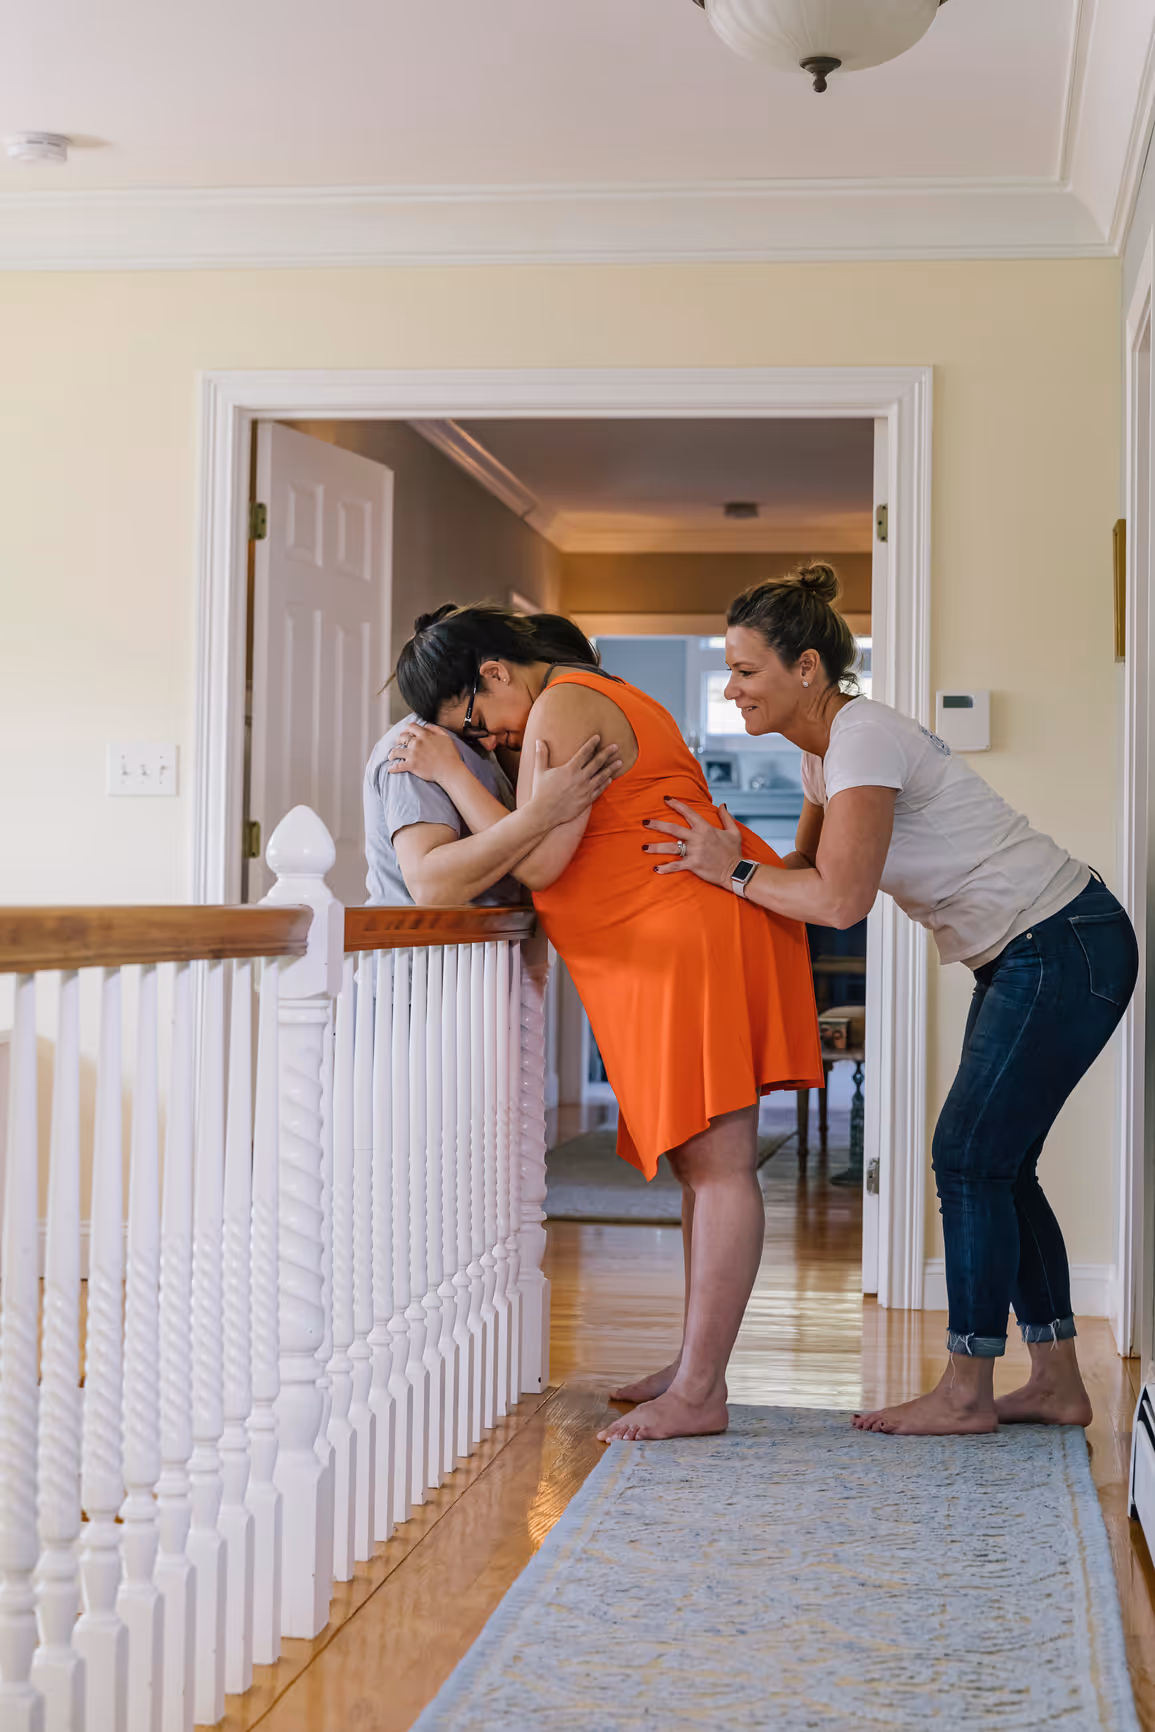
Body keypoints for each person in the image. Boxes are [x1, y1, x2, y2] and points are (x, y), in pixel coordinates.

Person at [643, 562, 1138, 1438]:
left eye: (746, 670)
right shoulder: (819, 755)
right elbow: (797, 875)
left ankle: (965, 1391)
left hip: (1060, 941)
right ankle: (1055, 1381)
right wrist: (718, 868)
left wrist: (737, 871)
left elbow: (839, 901)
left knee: (966, 1158)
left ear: (805, 669)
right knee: (996, 1162)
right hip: (1033, 950)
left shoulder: (862, 735)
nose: (732, 688)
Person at [388, 602, 824, 1443]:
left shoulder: (562, 703)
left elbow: (544, 857)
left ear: (493, 675)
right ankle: (697, 1368)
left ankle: (699, 1391)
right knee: (705, 1167)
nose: (487, 745)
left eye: (475, 727)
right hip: (672, 937)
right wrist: (514, 797)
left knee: (719, 1164)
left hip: (681, 939)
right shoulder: (592, 694)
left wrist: (449, 776)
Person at [363, 606, 622, 906]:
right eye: (479, 726)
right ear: (495, 674)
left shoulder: (496, 750)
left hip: (495, 950)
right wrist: (543, 812)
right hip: (424, 953)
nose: (488, 742)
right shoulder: (418, 747)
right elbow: (430, 887)